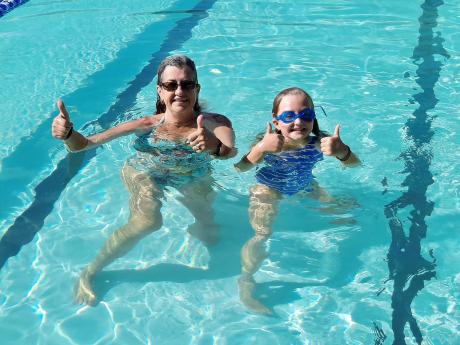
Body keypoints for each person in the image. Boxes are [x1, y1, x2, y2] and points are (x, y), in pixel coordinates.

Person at [51, 55, 237, 305]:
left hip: (192, 174)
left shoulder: (216, 123)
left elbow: (229, 150)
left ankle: (203, 228)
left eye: (187, 84)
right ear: (160, 91)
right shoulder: (146, 125)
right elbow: (83, 145)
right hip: (147, 171)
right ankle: (91, 271)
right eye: (171, 85)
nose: (179, 91)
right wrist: (68, 134)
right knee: (148, 220)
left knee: (210, 233)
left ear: (197, 88)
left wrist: (215, 147)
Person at [234, 87, 360, 314]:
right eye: (289, 116)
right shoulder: (269, 144)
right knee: (262, 234)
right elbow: (240, 168)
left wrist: (343, 151)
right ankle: (246, 280)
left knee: (348, 215)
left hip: (304, 185)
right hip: (268, 189)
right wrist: (260, 149)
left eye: (306, 115)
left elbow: (355, 165)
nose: (298, 121)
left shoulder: (319, 143)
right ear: (276, 121)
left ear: (313, 118)